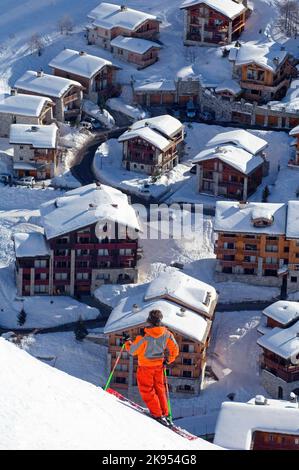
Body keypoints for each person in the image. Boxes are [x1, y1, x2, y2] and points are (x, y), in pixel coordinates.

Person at [124, 309, 179, 425]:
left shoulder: (144, 336)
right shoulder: (167, 334)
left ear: (149, 321)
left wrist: (127, 342)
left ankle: (157, 414)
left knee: (147, 390)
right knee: (160, 389)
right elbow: (175, 349)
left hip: (145, 367)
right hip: (159, 366)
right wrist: (168, 360)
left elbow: (133, 351)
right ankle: (164, 413)